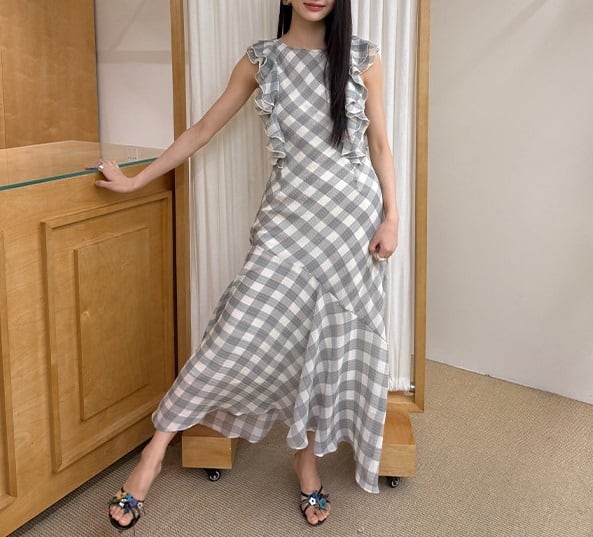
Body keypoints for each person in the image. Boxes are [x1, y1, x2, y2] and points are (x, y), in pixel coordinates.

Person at [99, 0, 398, 531]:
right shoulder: (262, 61)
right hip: (287, 221)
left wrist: (392, 217)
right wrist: (138, 179)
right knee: (235, 332)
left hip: (352, 224)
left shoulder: (362, 58)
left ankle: (306, 461)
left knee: (323, 345)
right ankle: (155, 452)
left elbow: (379, 143)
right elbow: (202, 129)